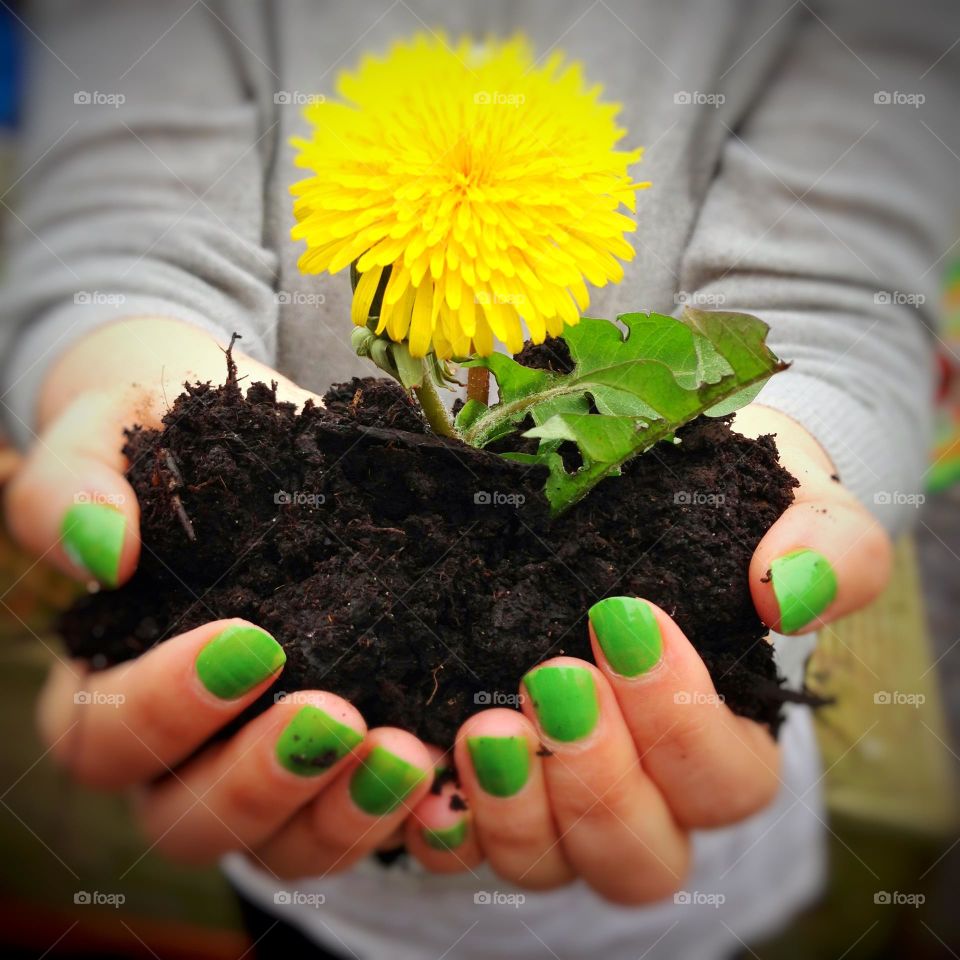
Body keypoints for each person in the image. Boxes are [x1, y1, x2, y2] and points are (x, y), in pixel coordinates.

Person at [1, 1, 955, 958]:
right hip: (301, 865)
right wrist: (120, 365)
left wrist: (794, 450)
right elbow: (128, 222)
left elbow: (846, 293)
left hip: (688, 846)